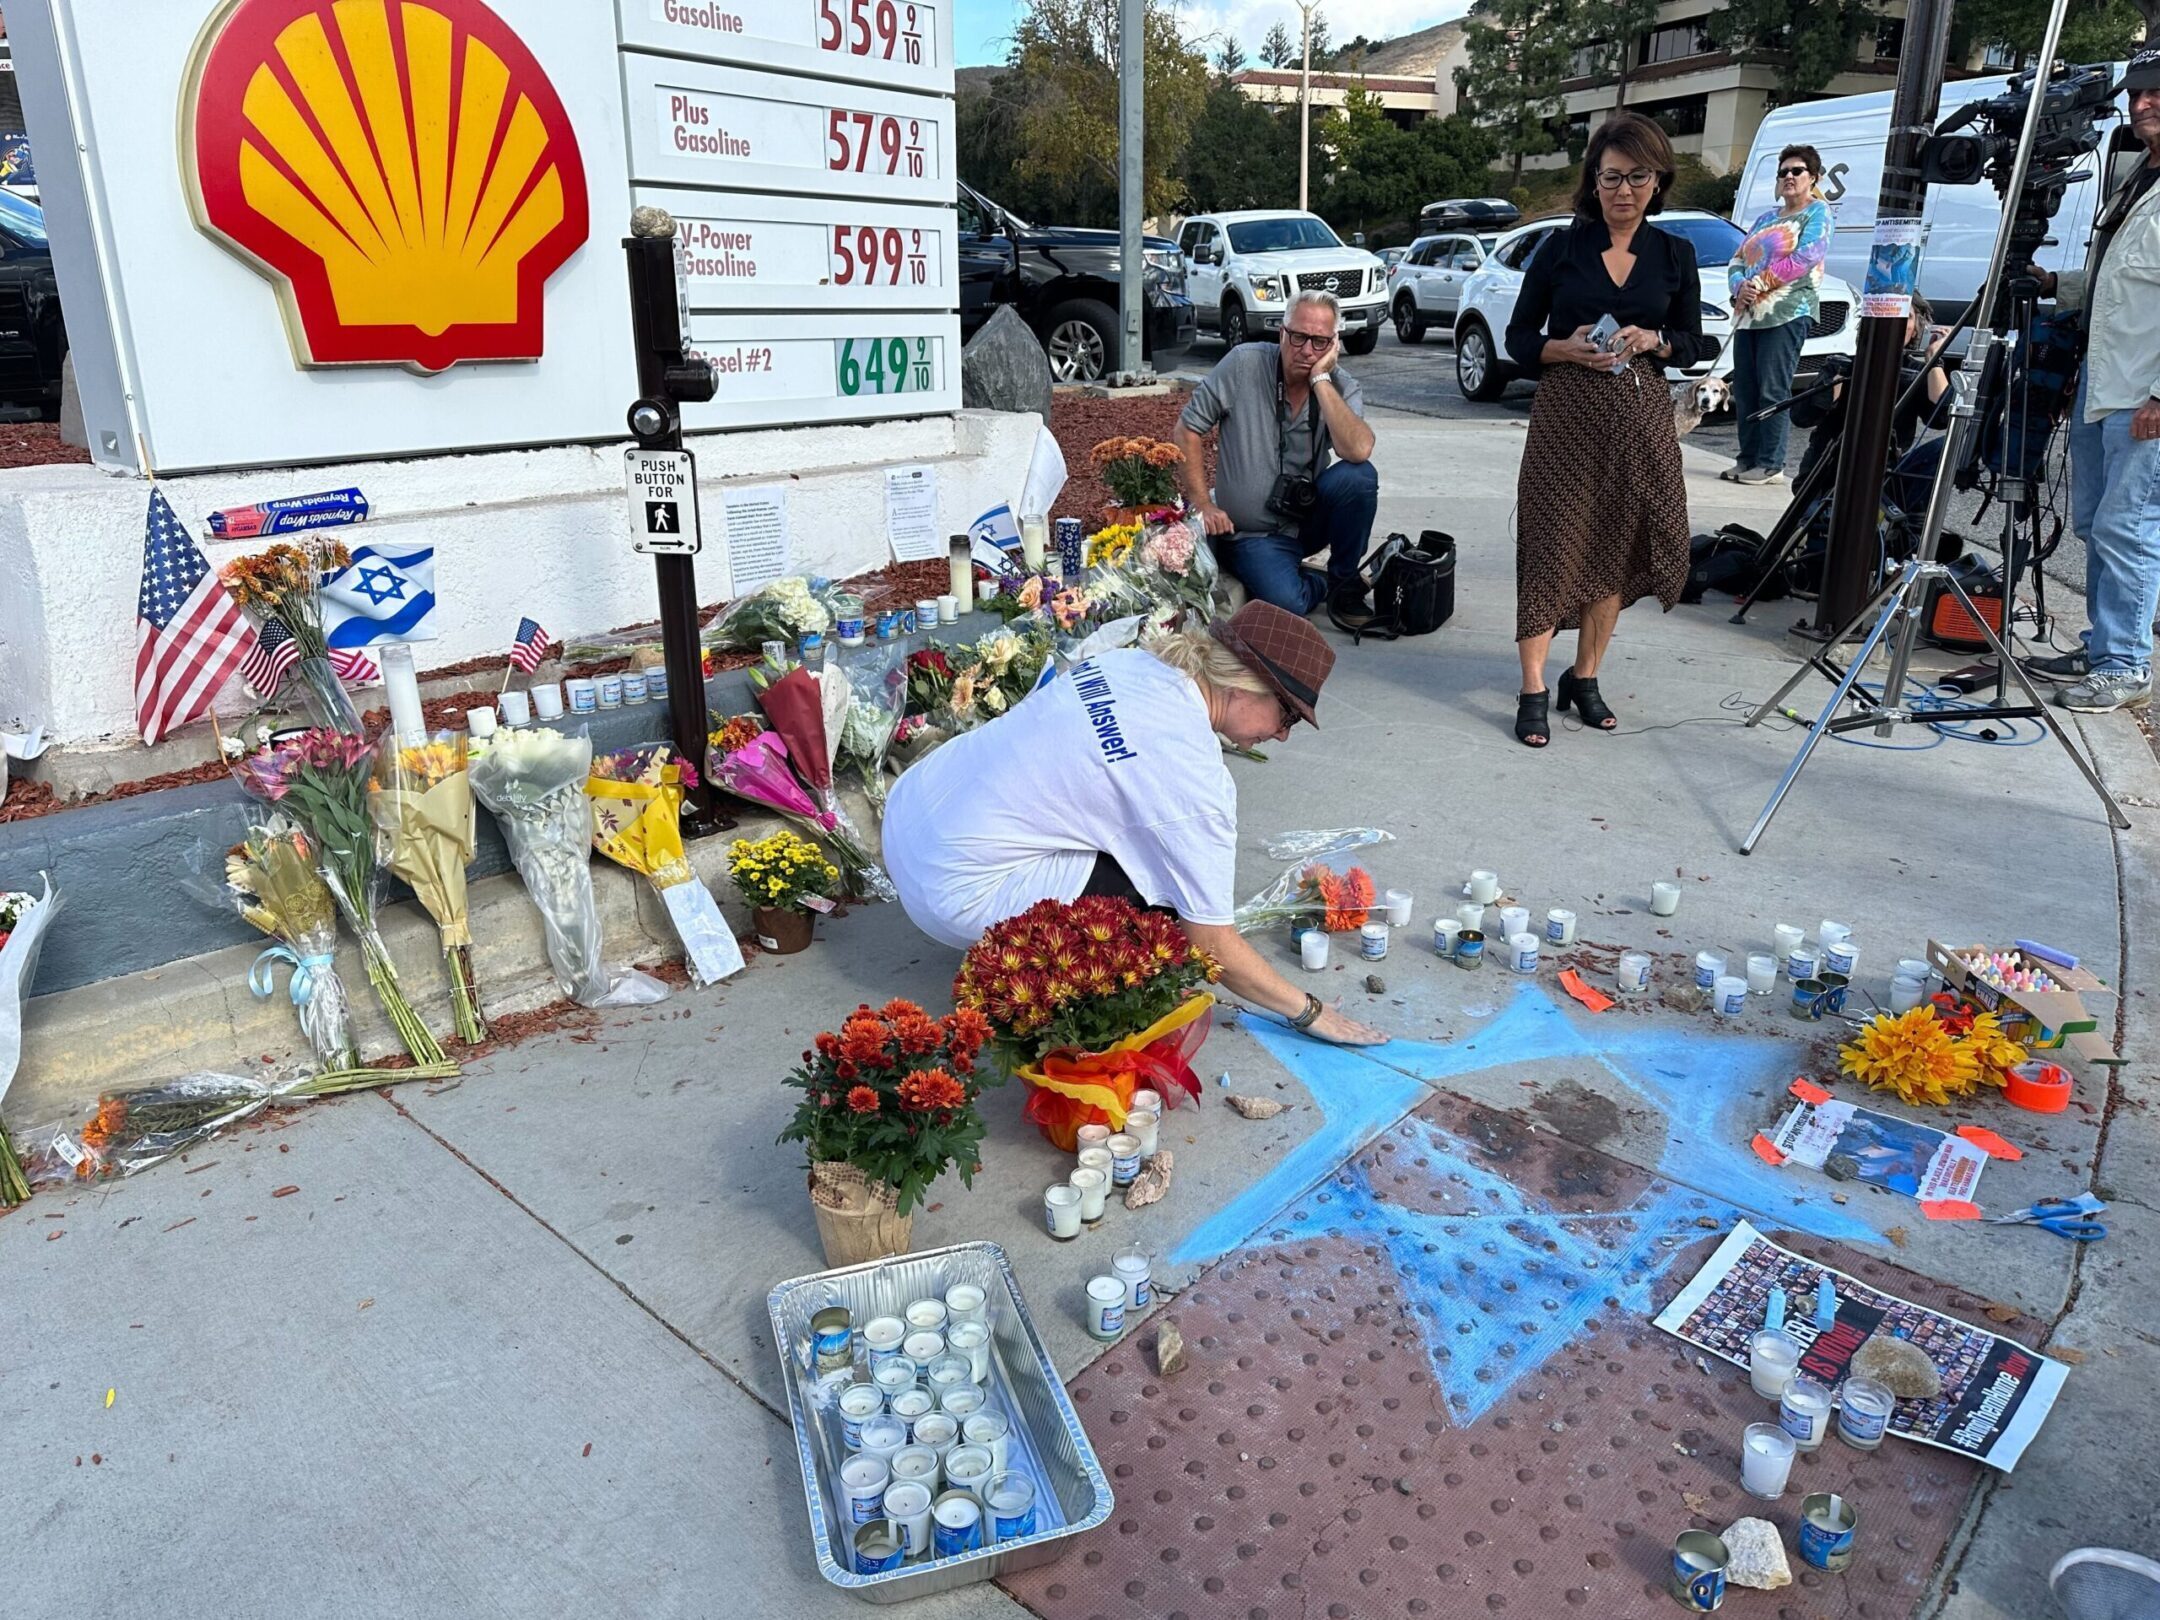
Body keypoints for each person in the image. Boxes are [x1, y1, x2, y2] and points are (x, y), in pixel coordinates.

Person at [881, 599, 1387, 1045]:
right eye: (1287, 716)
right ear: (1243, 688)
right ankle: (1027, 970)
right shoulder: (1192, 774)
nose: (1283, 736)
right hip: (955, 893)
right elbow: (1212, 943)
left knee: (1150, 856)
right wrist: (1309, 1011)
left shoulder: (1130, 664)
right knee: (1163, 920)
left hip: (910, 816)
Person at [1503, 112, 1719, 748]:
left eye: (1637, 177)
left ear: (1659, 181)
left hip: (1640, 420)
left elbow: (1696, 342)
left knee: (1617, 548)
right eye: (1611, 177)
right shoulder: (1560, 249)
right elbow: (1517, 338)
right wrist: (1562, 348)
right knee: (1551, 543)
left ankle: (1584, 677)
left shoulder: (1674, 254)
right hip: (1565, 421)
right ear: (1593, 181)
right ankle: (1533, 687)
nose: (1624, 190)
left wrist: (1656, 339)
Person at [2024, 46, 2160, 714]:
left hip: (2144, 394)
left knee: (2129, 527)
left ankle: (2126, 663)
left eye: (2157, 92)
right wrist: (2055, 282)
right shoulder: (2136, 178)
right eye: (2136, 93)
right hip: (2102, 384)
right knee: (2096, 524)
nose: (2143, 102)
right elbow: (2116, 279)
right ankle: (2103, 645)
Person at [1173, 291, 1379, 621]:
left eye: (1320, 342)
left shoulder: (1340, 385)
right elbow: (1186, 430)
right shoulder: (1244, 364)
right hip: (1252, 534)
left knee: (1360, 476)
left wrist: (1321, 379)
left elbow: (1357, 449)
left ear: (1334, 345)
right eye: (1298, 337)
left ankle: (1344, 584)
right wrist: (1202, 504)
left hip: (1306, 522)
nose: (1307, 350)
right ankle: (1317, 583)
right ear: (1282, 333)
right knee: (1289, 603)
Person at [1725, 144, 1835, 486]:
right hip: (1750, 314)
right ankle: (1747, 458)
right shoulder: (1765, 219)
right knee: (1745, 388)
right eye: (1783, 171)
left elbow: (1806, 257)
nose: (1789, 176)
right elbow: (1737, 258)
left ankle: (1771, 463)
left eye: (1797, 171)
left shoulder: (1817, 213)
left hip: (1788, 312)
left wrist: (1760, 283)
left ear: (1812, 178)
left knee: (1773, 389)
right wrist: (1739, 286)